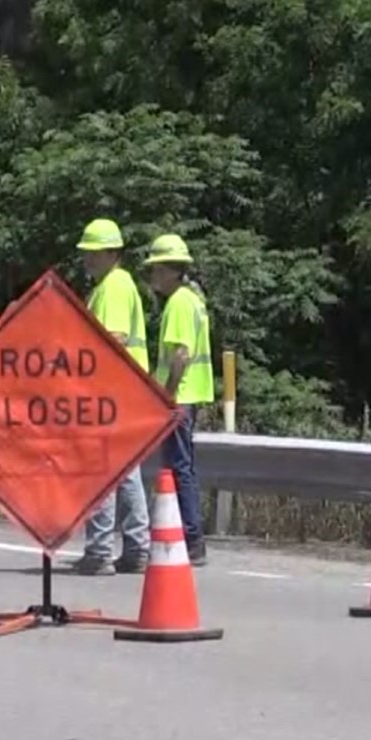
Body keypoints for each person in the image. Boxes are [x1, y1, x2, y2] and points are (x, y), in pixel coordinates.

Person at [71, 217, 151, 576]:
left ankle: (100, 550)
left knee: (100, 469)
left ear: (109, 253)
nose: (86, 259)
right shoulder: (115, 284)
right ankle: (136, 548)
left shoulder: (114, 286)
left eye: (91, 253)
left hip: (110, 391)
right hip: (124, 390)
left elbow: (112, 339)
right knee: (124, 470)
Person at [144, 233, 213, 565]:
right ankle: (189, 537)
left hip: (179, 398)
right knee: (181, 467)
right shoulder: (193, 300)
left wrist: (167, 396)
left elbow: (181, 355)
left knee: (178, 469)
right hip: (189, 396)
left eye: (157, 269)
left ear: (173, 271)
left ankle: (190, 539)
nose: (153, 275)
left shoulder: (179, 304)